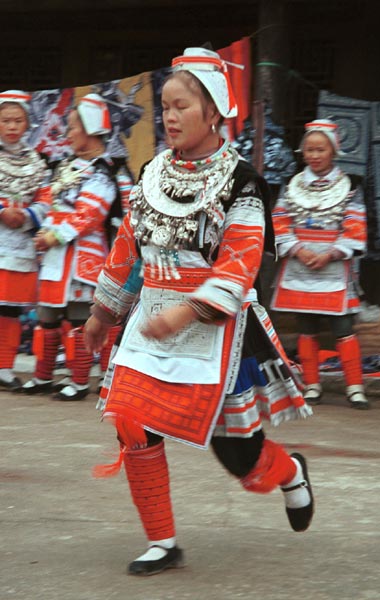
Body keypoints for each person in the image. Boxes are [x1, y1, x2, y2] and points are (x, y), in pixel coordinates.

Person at [84, 47, 314, 576]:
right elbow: (127, 244)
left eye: (181, 105)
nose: (169, 116)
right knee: (131, 420)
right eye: (164, 105)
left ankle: (288, 471)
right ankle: (163, 542)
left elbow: (240, 265)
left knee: (240, 458)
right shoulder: (152, 171)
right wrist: (102, 314)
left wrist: (185, 313)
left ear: (213, 111)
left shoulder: (242, 182)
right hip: (152, 319)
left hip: (216, 328)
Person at [22, 94, 121, 400]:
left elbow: (90, 215)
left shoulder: (103, 172)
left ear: (91, 129)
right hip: (56, 255)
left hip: (81, 256)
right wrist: (43, 232)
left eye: (74, 127)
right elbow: (50, 203)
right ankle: (43, 376)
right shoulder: (68, 167)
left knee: (78, 318)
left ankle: (78, 382)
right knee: (48, 318)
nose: (68, 133)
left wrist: (55, 235)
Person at [271, 119, 368, 409]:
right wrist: (298, 250)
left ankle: (355, 387)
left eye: (320, 149)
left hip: (334, 267)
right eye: (309, 150)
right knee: (307, 326)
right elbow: (279, 222)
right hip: (299, 266)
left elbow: (355, 228)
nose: (313, 155)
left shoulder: (351, 187)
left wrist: (330, 253)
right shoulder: (292, 186)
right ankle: (312, 385)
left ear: (333, 151)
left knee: (343, 327)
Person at [0, 90, 50, 390]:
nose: (11, 126)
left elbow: (47, 200)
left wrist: (28, 214)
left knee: (10, 310)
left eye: (17, 120)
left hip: (20, 247)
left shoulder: (37, 163)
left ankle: (4, 366)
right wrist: (3, 211)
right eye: (5, 120)